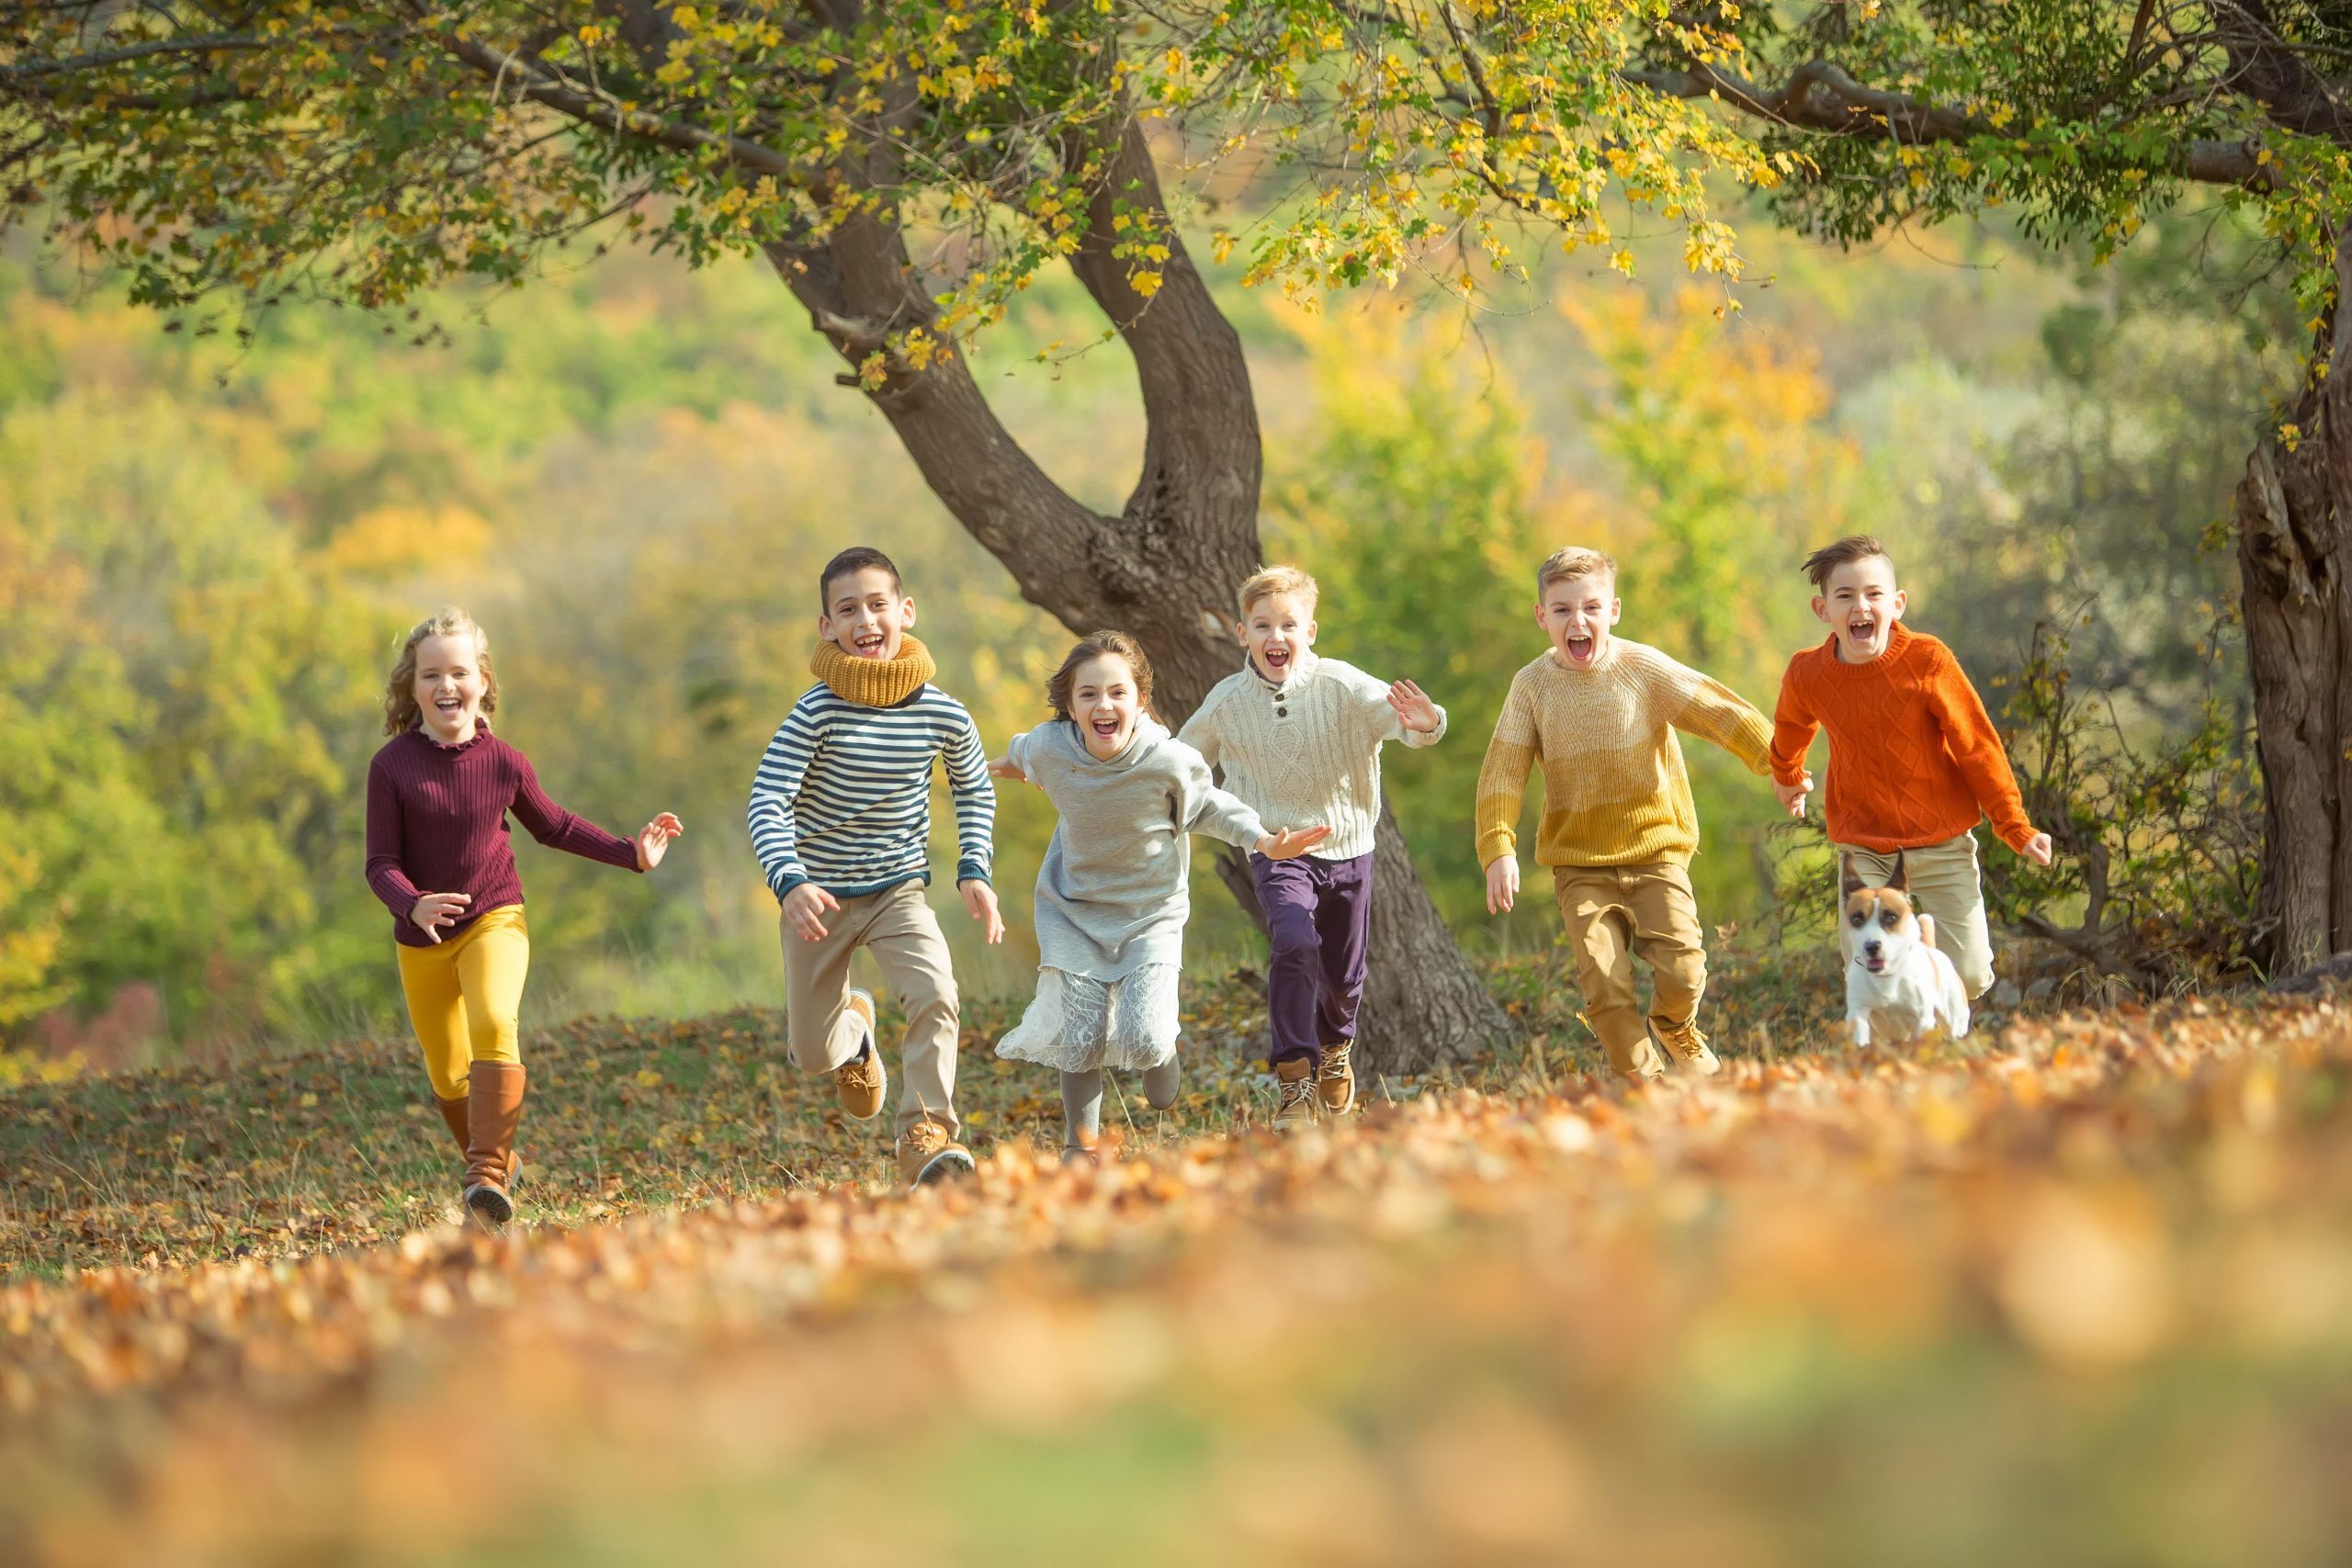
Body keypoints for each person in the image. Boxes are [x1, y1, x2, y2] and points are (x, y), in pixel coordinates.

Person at [365, 607, 681, 1224]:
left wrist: (632, 854)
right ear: (412, 686)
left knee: (494, 1019)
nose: (446, 686)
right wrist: (413, 902)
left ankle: (483, 1171)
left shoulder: (505, 761)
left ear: (482, 680)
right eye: (431, 675)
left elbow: (555, 825)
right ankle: (497, 1168)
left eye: (458, 672)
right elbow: (380, 863)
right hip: (421, 937)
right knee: (447, 1073)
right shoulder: (392, 766)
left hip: (494, 917)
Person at [991, 630, 1329, 1161]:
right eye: (1088, 695)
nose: (1104, 705)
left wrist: (1264, 839)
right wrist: (997, 770)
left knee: (1144, 1038)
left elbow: (1210, 807)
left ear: (1140, 701)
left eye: (1117, 692)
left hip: (1150, 914)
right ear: (1070, 707)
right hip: (1074, 910)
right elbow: (1018, 755)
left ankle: (1161, 1049)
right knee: (1079, 1039)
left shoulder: (1168, 761)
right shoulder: (1051, 747)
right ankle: (1080, 1148)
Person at [747, 547, 1001, 1190]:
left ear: (905, 612)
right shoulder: (816, 713)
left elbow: (974, 788)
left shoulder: (942, 712)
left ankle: (927, 1133)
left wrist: (975, 867)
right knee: (811, 1054)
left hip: (898, 891)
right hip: (820, 897)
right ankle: (855, 1033)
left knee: (938, 993)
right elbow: (767, 798)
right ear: (827, 626)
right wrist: (791, 879)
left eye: (878, 604)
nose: (866, 620)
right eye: (848, 609)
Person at [1476, 547, 1774, 1078]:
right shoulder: (1532, 686)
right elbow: (1502, 770)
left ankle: (1675, 1026)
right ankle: (1642, 1083)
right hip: (1579, 862)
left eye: (1591, 607)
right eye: (1562, 610)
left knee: (1684, 970)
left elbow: (1716, 710)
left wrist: (1777, 761)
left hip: (1656, 848)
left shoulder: (1642, 669)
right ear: (1542, 616)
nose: (1578, 620)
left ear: (1613, 610)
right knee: (1604, 983)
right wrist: (1499, 848)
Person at [1178, 565, 1444, 1126]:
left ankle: (1335, 1047)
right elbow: (1182, 767)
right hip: (1276, 851)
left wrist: (1427, 723)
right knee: (1294, 944)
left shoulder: (1343, 684)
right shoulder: (1226, 702)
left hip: (1349, 847)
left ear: (1311, 632)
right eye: (1263, 626)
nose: (1277, 637)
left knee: (1344, 976)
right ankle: (1294, 1080)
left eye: (1289, 625)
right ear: (1242, 634)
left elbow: (1401, 724)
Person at [1770, 534, 2053, 1000]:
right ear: (1823, 610)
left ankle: (1925, 983)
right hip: (1865, 844)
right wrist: (1786, 775)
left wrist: (2015, 826)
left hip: (1941, 840)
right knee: (1868, 968)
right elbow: (1791, 725)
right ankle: (1893, 1059)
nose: (1861, 606)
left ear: (1897, 603)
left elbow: (1977, 746)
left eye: (1873, 594)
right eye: (1845, 596)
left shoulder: (1928, 661)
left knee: (1970, 977)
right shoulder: (1808, 673)